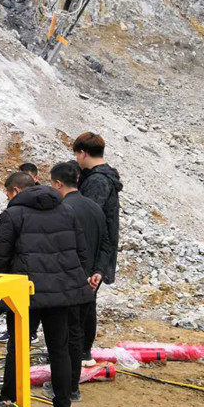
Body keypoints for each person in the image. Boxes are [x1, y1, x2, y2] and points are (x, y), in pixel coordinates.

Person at [0, 172, 93, 407]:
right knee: (60, 350)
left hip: (25, 293)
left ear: (15, 190)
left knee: (18, 348)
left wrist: (6, 288)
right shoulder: (66, 211)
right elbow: (82, 252)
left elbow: (0, 256)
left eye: (7, 193)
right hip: (60, 295)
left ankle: (9, 400)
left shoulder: (13, 215)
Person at [50, 161, 112, 401]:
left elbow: (59, 249)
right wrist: (98, 271)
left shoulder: (61, 209)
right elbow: (107, 243)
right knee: (76, 336)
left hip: (67, 284)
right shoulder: (95, 208)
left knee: (63, 339)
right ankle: (73, 387)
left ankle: (66, 389)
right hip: (89, 284)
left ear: (58, 183)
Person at [73, 132, 123, 365]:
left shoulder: (97, 181)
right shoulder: (99, 177)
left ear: (83, 153)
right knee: (86, 301)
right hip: (96, 251)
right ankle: (82, 351)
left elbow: (88, 221)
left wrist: (94, 266)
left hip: (92, 253)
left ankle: (83, 353)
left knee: (85, 302)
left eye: (76, 153)